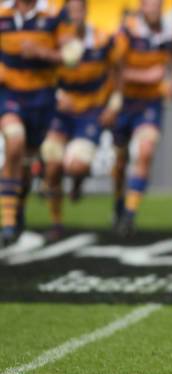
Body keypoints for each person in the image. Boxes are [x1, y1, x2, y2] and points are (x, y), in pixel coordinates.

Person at [41, 0, 121, 241]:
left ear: (86, 11)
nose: (75, 15)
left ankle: (77, 182)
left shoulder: (102, 39)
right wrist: (56, 95)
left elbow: (118, 71)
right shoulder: (54, 40)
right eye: (71, 11)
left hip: (90, 111)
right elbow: (40, 71)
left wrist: (113, 104)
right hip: (61, 111)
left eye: (79, 10)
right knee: (53, 163)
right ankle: (56, 222)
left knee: (76, 166)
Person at [111, 0, 172, 237]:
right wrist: (145, 76)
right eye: (150, 4)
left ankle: (130, 215)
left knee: (145, 151)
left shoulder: (170, 31)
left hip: (150, 104)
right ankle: (118, 201)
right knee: (120, 161)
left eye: (158, 4)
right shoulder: (127, 31)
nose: (155, 9)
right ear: (142, 7)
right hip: (125, 102)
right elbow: (114, 67)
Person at [0, 0, 66, 246]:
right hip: (9, 95)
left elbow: (71, 56)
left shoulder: (53, 14)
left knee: (27, 164)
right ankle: (7, 223)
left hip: (42, 98)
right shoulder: (3, 12)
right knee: (14, 141)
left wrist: (42, 53)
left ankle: (18, 209)